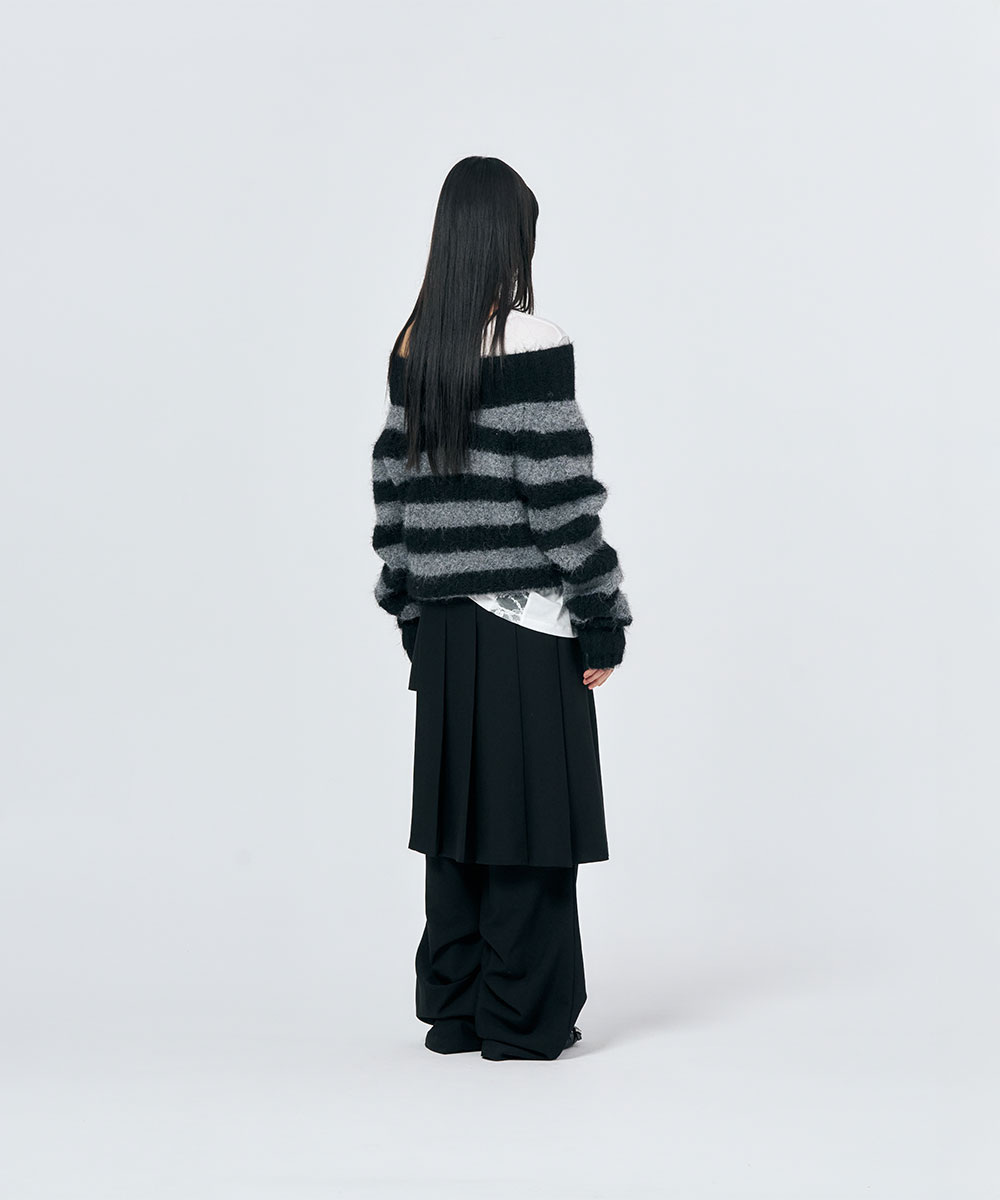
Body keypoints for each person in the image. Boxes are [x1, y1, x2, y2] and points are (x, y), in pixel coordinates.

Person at [370, 156, 633, 1061]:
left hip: (444, 624)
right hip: (527, 628)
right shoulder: (530, 340)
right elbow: (560, 495)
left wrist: (408, 606)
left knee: (458, 825)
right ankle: (521, 1020)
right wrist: (601, 613)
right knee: (529, 820)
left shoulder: (416, 343)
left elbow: (393, 488)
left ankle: (457, 1011)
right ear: (507, 238)